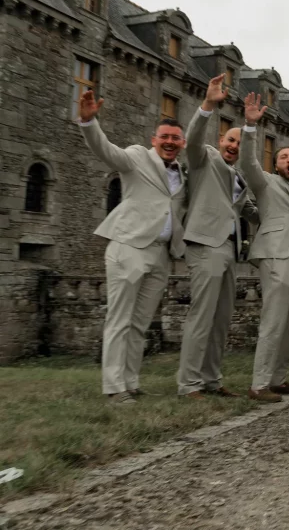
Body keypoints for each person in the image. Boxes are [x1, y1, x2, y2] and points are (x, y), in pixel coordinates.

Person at [77, 90, 187, 404]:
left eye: (175, 138)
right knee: (120, 319)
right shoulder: (137, 156)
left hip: (161, 253)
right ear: (154, 140)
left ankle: (131, 382)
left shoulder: (182, 173)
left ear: (182, 143)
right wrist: (89, 122)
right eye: (164, 136)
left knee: (140, 323)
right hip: (129, 247)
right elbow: (106, 152)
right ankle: (114, 388)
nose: (169, 142)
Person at [178, 74, 256, 400]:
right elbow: (193, 139)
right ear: (221, 139)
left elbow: (251, 211)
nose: (234, 146)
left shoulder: (240, 179)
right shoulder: (204, 158)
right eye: (230, 140)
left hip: (229, 250)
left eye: (240, 143)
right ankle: (188, 384)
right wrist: (208, 104)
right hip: (205, 244)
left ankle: (211, 379)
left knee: (222, 318)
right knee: (201, 315)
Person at [239, 93, 289, 402]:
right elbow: (247, 162)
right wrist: (249, 126)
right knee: (273, 319)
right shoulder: (266, 183)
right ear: (276, 163)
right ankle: (258, 384)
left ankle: (278, 377)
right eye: (283, 157)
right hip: (275, 255)